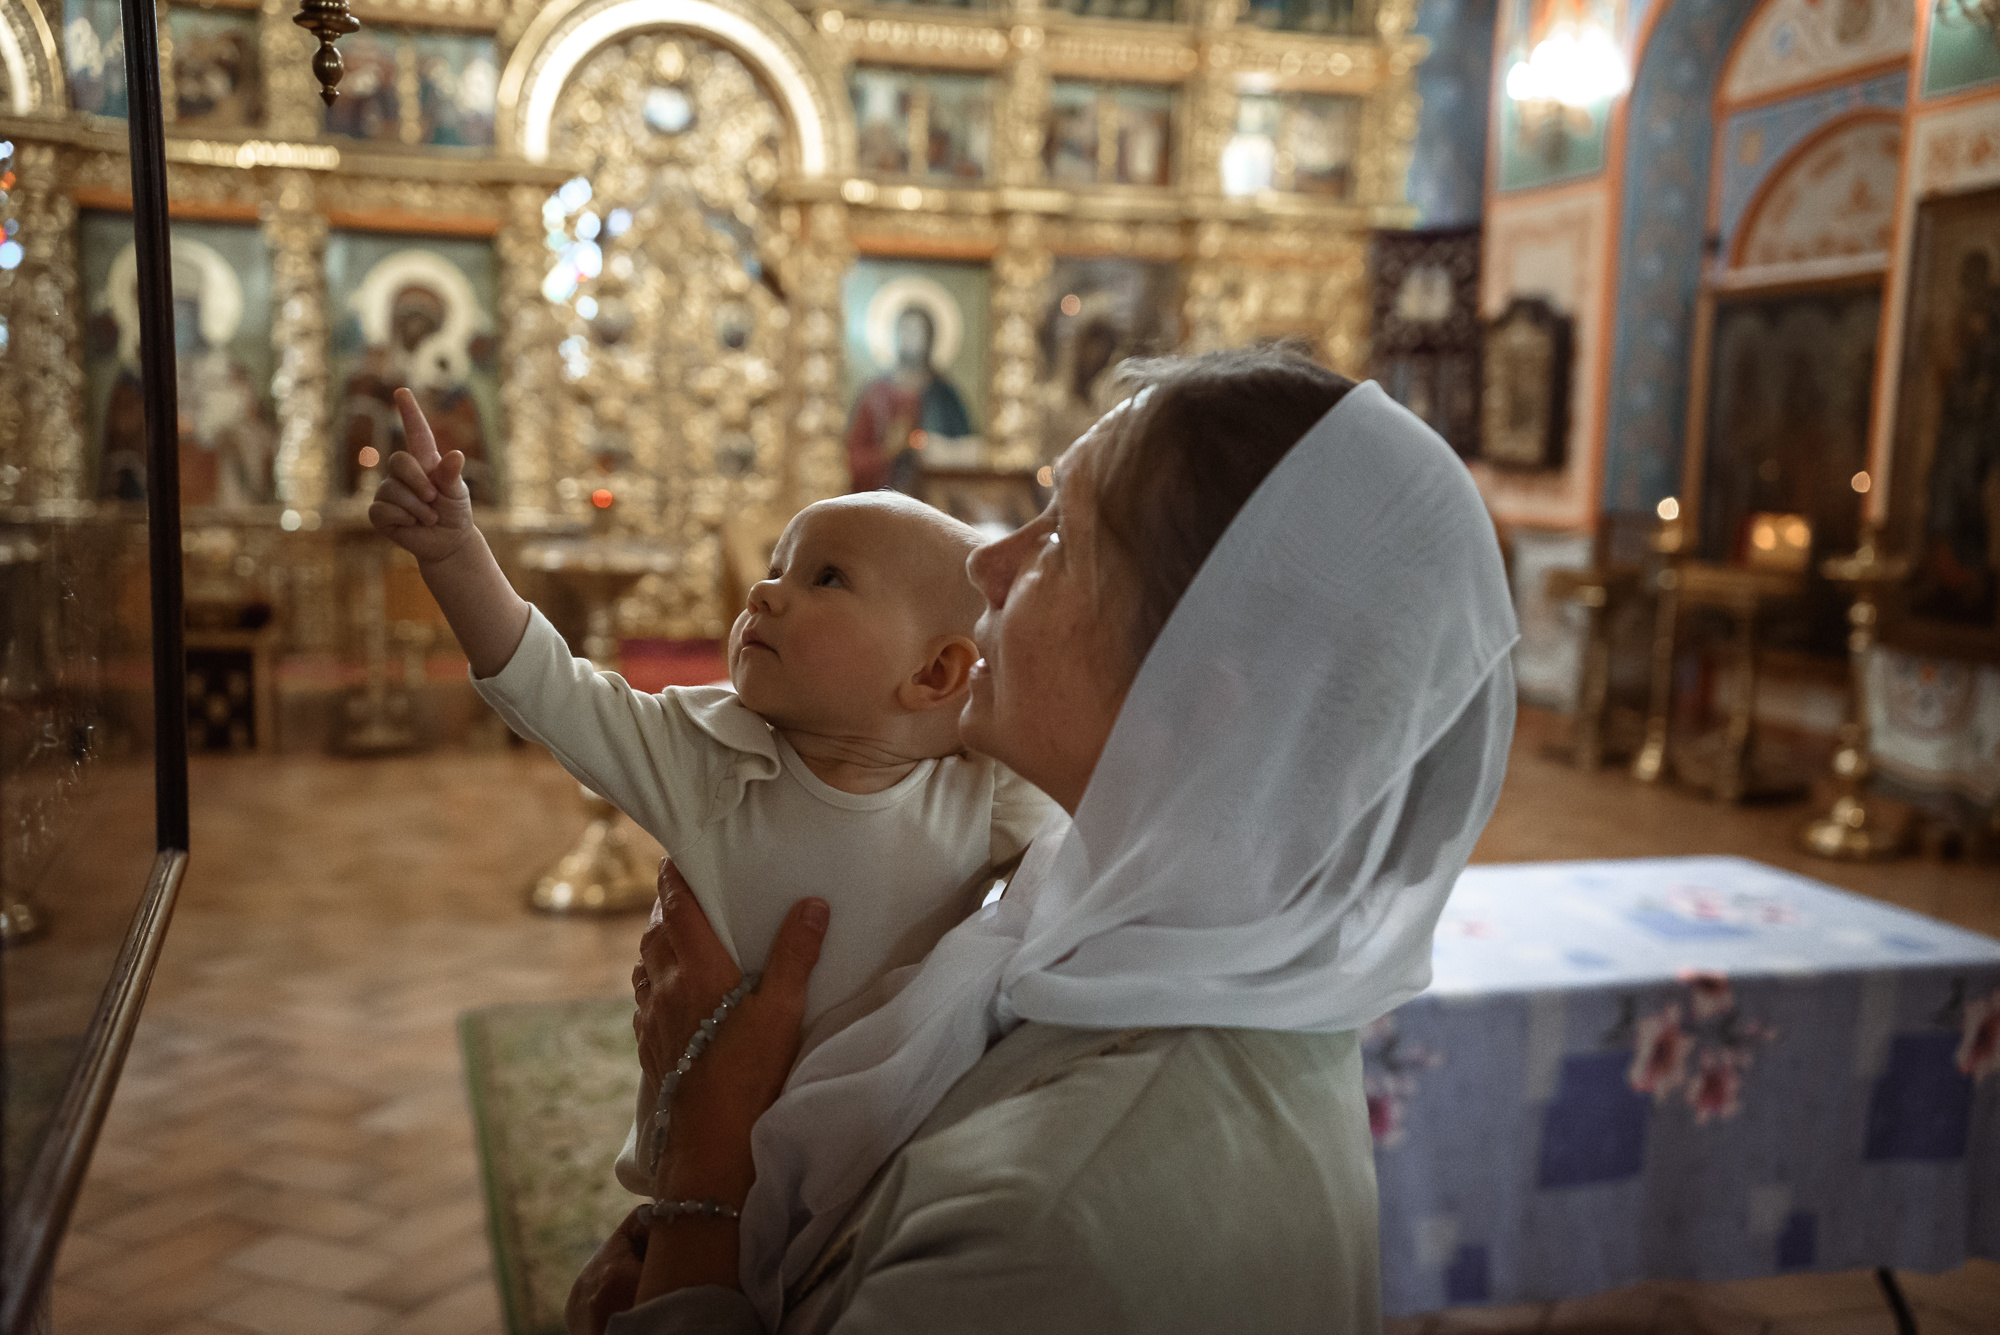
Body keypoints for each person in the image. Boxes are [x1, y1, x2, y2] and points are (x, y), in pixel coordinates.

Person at [570, 346, 1519, 1334]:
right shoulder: (1124, 922)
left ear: (1198, 698)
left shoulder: (1049, 1224)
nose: (986, 561)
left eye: (1058, 537)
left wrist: (704, 1194)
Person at [365, 388, 1057, 1191]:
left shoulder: (990, 796)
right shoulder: (712, 758)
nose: (764, 594)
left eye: (826, 578)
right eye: (774, 569)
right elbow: (549, 687)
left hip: (876, 1173)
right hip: (714, 1166)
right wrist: (454, 554)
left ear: (936, 671)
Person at [844, 305, 973, 493]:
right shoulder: (875, 394)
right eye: (905, 330)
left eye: (917, 331)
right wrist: (889, 452)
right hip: (883, 499)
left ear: (930, 337)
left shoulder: (945, 394)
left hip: (937, 502)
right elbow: (853, 458)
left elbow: (969, 452)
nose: (910, 338)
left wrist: (933, 449)